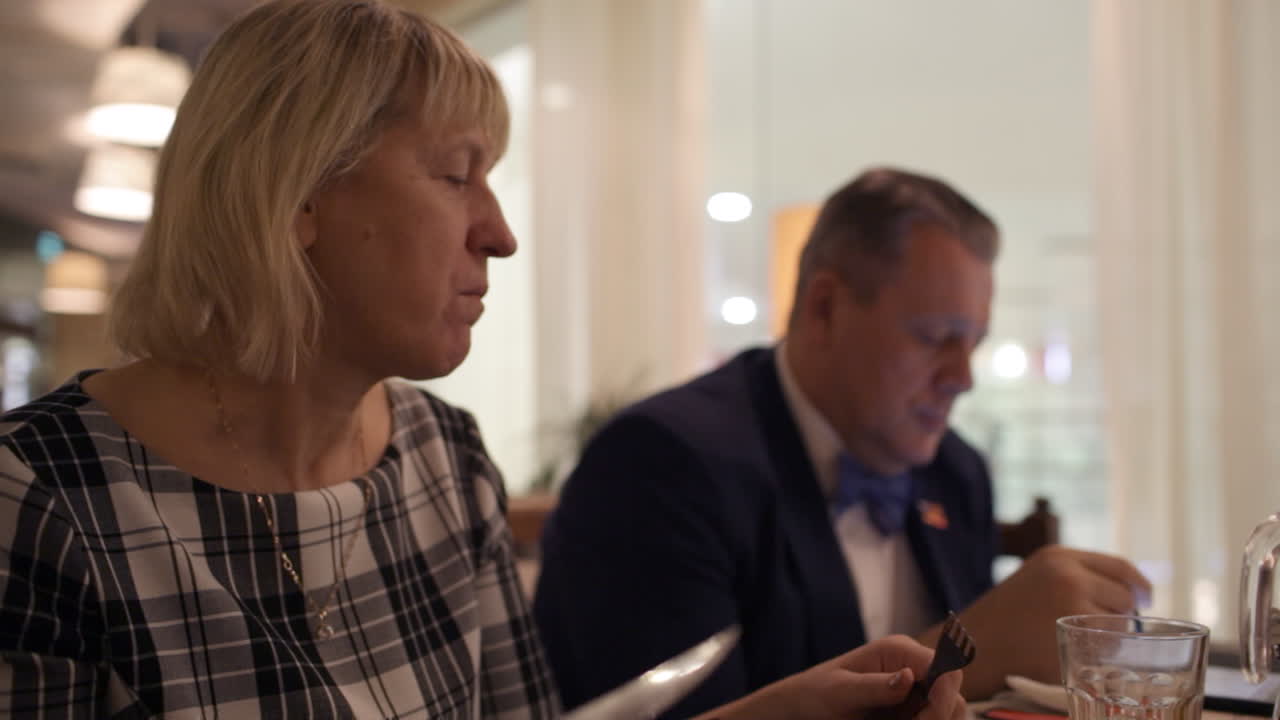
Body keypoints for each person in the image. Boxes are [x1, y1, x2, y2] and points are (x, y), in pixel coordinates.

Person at [0, 3, 971, 719]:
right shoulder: (37, 503)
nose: (499, 234)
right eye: (455, 175)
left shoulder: (441, 455)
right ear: (294, 195)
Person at [534, 166, 1153, 716]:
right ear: (826, 306)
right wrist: (978, 644)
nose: (963, 377)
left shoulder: (956, 474)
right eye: (936, 335)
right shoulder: (662, 465)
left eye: (974, 342)